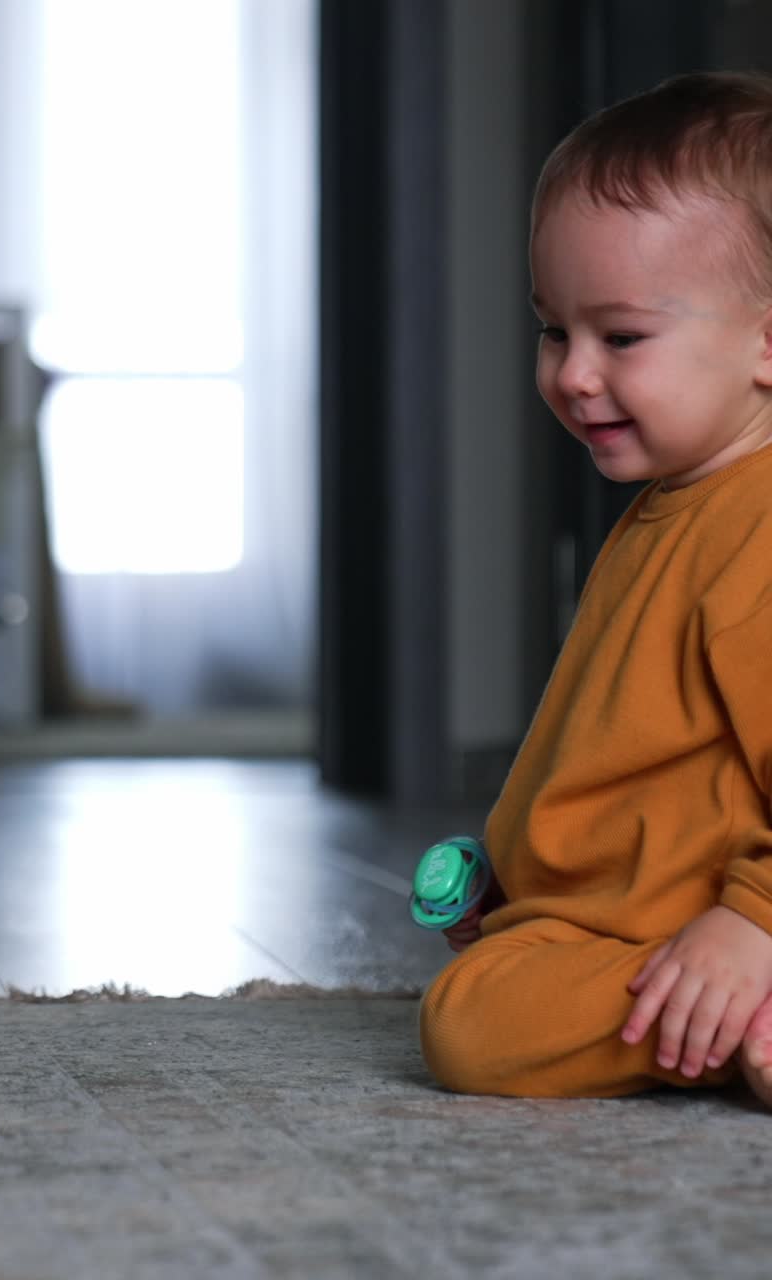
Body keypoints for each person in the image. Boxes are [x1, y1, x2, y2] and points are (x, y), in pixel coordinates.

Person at [420, 70, 772, 1104]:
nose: (572, 373)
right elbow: (609, 747)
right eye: (550, 330)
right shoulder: (670, 505)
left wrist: (750, 917)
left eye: (619, 337)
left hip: (716, 914)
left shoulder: (755, 526)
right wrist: (515, 872)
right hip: (627, 908)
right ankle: (712, 1009)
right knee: (486, 982)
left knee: (472, 1025)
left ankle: (723, 1002)